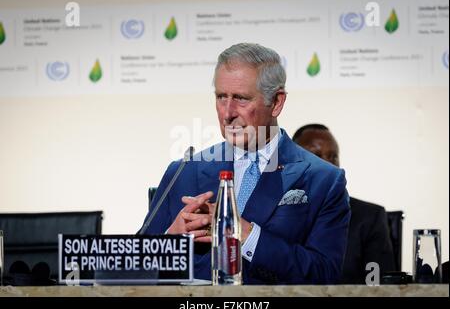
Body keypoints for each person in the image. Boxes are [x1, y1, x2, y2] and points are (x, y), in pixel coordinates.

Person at [140, 43, 351, 284]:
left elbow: (324, 276)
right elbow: (131, 271)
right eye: (221, 97)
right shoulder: (183, 171)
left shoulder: (323, 180)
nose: (227, 112)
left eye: (241, 98)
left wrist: (246, 235)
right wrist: (171, 239)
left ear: (277, 102)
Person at [292, 123, 396, 284]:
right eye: (316, 156)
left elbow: (378, 286)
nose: (328, 165)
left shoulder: (369, 218)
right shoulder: (271, 214)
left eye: (333, 156)